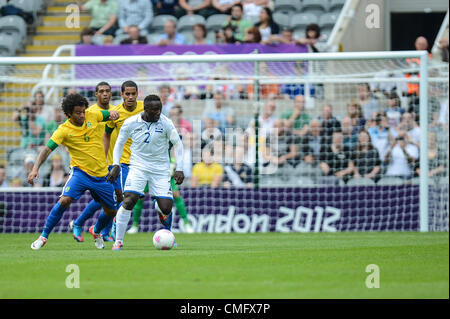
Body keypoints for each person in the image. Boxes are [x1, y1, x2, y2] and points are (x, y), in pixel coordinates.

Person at [28, 93, 120, 250]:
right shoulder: (63, 130)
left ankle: (96, 231)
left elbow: (109, 113)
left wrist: (113, 114)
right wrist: (35, 168)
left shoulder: (92, 115)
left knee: (111, 211)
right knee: (64, 200)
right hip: (80, 173)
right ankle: (43, 236)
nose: (82, 115)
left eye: (83, 111)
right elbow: (46, 150)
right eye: (78, 112)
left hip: (101, 174)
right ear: (68, 113)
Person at [107, 94, 185, 250]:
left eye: (160, 110)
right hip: (138, 167)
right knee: (129, 200)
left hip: (160, 170)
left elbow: (178, 144)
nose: (158, 113)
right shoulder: (131, 123)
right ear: (145, 109)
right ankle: (118, 241)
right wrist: (115, 164)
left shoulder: (166, 123)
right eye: (154, 110)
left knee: (166, 208)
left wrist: (180, 168)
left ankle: (162, 214)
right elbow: (119, 144)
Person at [68, 82, 119, 243]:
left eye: (107, 91)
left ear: (111, 94)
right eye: (101, 91)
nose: (105, 94)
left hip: (115, 161)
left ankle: (100, 230)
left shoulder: (115, 112)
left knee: (114, 198)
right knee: (108, 199)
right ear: (96, 94)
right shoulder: (87, 113)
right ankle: (84, 225)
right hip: (97, 164)